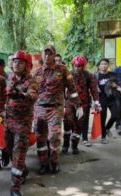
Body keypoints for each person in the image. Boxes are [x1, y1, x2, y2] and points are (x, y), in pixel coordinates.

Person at [34, 45, 82, 175]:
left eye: (50, 54)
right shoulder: (37, 72)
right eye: (45, 54)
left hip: (56, 108)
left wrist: (78, 105)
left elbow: (72, 89)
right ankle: (43, 163)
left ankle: (54, 162)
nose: (47, 56)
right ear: (42, 55)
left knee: (54, 136)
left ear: (54, 55)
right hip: (39, 109)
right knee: (40, 138)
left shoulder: (62, 70)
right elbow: (32, 91)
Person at [5, 50, 38, 196]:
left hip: (23, 123)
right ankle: (23, 170)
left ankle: (15, 187)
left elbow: (32, 96)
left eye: (20, 62)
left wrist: (21, 94)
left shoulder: (32, 81)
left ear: (27, 65)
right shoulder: (10, 78)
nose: (16, 64)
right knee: (11, 150)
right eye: (15, 61)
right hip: (9, 121)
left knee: (18, 155)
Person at [62, 55, 100, 153]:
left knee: (79, 125)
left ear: (83, 66)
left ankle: (74, 146)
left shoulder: (88, 75)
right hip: (70, 102)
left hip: (83, 104)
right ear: (73, 65)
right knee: (67, 122)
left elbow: (94, 89)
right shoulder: (68, 75)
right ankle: (65, 144)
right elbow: (61, 88)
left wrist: (96, 102)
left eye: (79, 66)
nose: (77, 68)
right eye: (75, 65)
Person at [96, 58, 121, 143]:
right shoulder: (96, 75)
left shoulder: (112, 74)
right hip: (101, 99)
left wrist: (118, 87)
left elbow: (117, 83)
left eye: (106, 64)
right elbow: (92, 86)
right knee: (102, 118)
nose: (104, 66)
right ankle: (103, 137)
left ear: (108, 65)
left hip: (112, 98)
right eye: (102, 64)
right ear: (99, 66)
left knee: (116, 114)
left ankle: (107, 128)